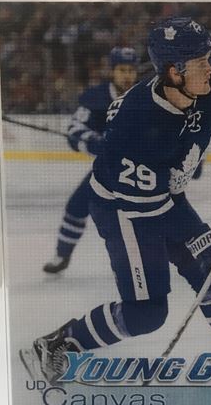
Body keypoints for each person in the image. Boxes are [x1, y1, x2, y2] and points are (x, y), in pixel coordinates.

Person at [23, 17, 211, 385]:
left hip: (162, 196)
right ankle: (57, 344)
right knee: (147, 313)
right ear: (174, 72)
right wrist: (203, 242)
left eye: (209, 58)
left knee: (210, 273)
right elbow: (152, 210)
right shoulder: (135, 127)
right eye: (200, 62)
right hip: (122, 209)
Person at [43, 47, 139, 273]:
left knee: (155, 214)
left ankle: (183, 257)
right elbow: (75, 129)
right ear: (112, 71)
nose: (127, 75)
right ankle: (62, 254)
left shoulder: (147, 95)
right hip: (108, 169)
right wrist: (93, 142)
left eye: (131, 70)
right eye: (122, 70)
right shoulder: (96, 97)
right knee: (76, 205)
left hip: (143, 170)